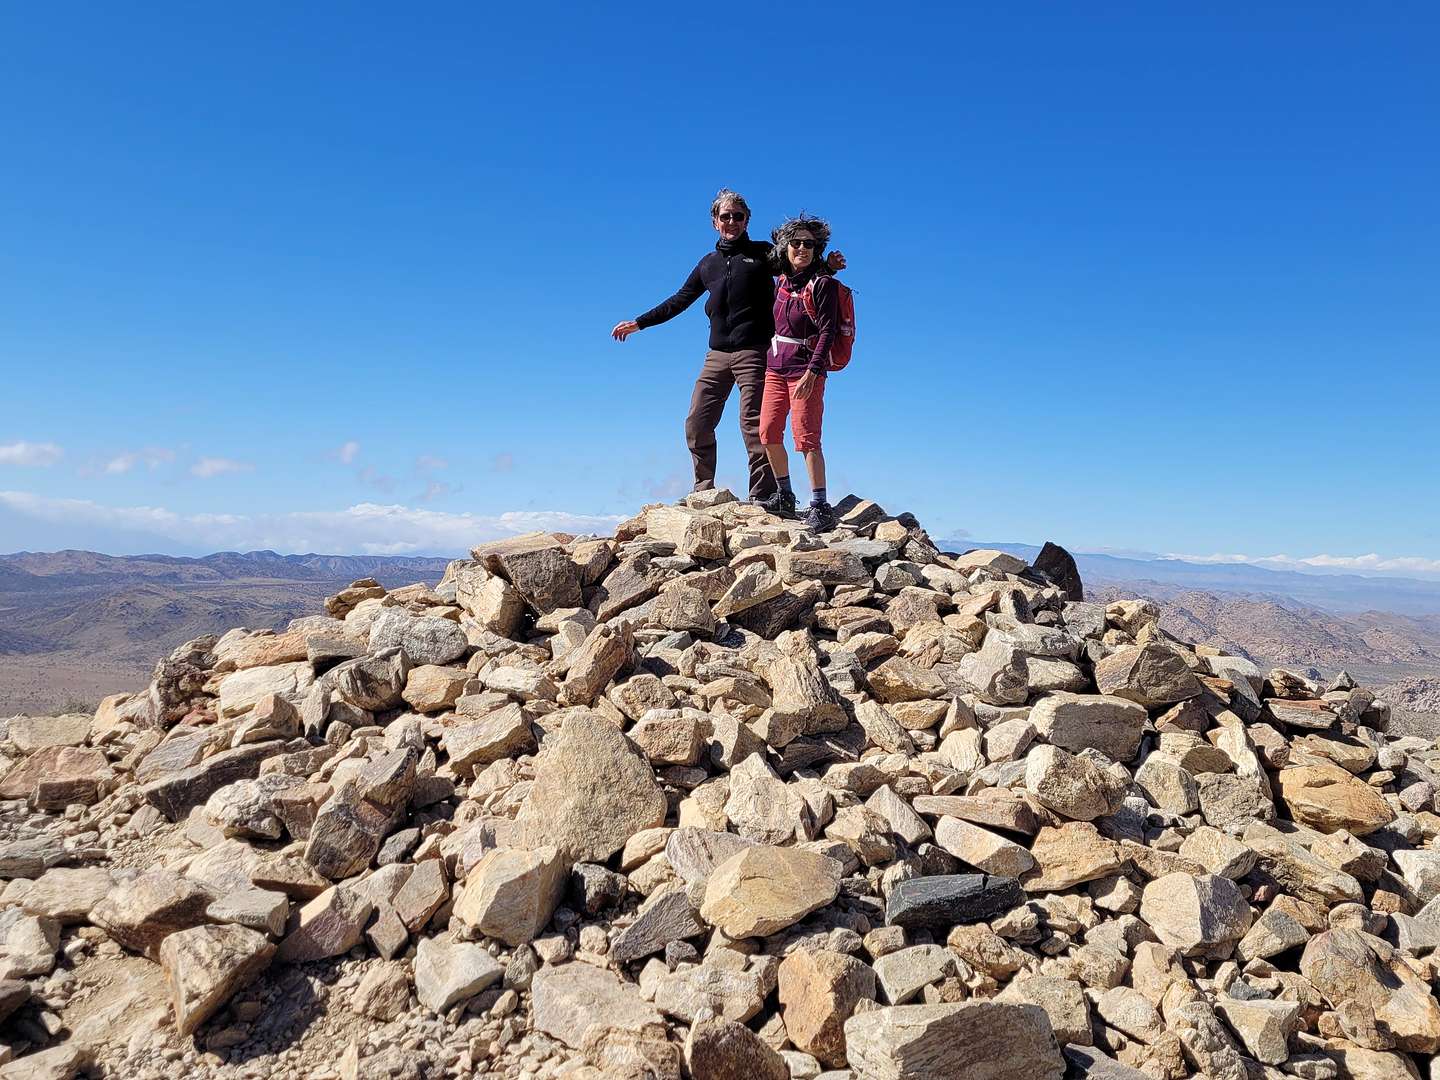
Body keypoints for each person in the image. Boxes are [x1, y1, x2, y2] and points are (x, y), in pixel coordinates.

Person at [611, 190, 842, 502]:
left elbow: (798, 270)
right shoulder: (708, 264)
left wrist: (827, 268)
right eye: (725, 216)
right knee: (697, 422)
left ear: (747, 220)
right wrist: (639, 323)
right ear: (714, 222)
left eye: (738, 216)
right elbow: (680, 299)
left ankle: (763, 496)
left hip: (756, 352)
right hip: (717, 355)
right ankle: (703, 491)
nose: (731, 221)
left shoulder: (764, 254)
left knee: (754, 427)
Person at [758, 215, 840, 532]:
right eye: (796, 243)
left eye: (809, 243)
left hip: (806, 370)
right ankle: (785, 496)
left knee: (807, 439)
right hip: (775, 368)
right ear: (786, 247)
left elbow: (828, 332)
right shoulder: (781, 282)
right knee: (767, 433)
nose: (802, 248)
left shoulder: (823, 285)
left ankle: (820, 505)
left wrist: (813, 372)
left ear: (816, 248)